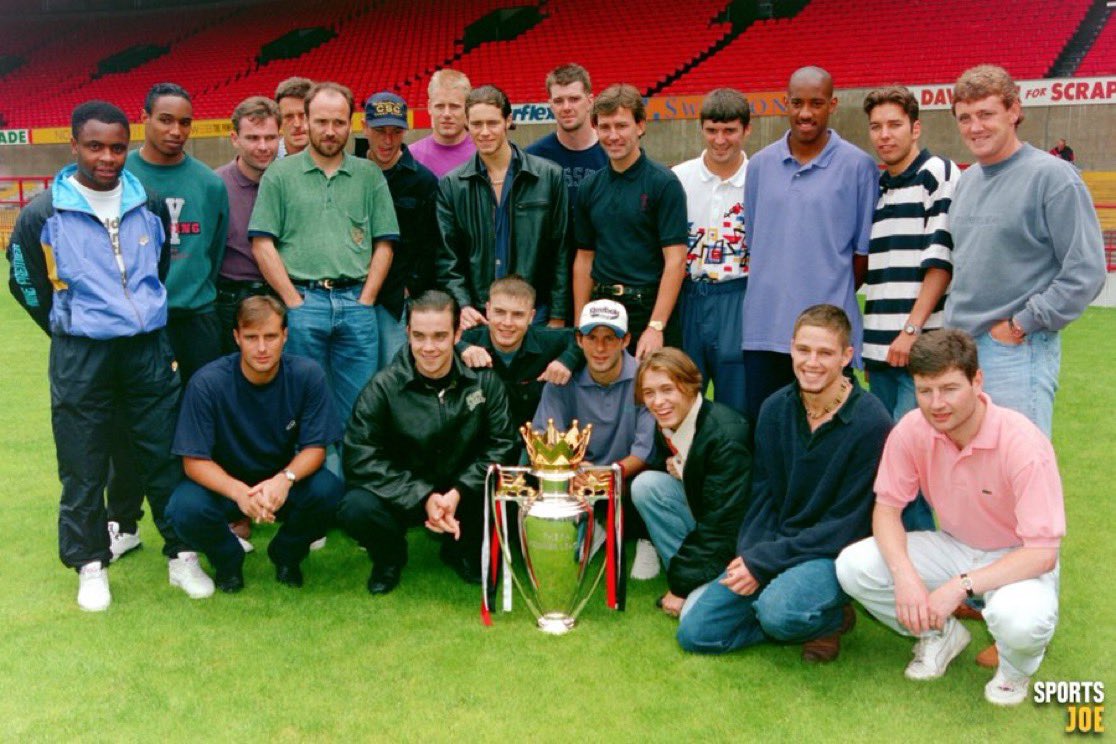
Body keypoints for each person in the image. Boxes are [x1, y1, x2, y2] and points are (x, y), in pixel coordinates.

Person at [6, 100, 211, 611]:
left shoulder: (150, 204)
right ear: (74, 145)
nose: (107, 158)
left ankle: (182, 555)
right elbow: (25, 282)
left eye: (117, 147)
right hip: (80, 355)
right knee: (83, 461)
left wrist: (134, 314)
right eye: (95, 146)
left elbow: (156, 270)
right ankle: (90, 565)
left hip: (146, 349)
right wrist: (65, 325)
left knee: (165, 454)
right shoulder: (42, 213)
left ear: (128, 145)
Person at [836, 329, 1064, 706]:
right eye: (925, 391)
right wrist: (906, 577)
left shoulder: (1023, 443)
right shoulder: (911, 429)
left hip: (1018, 556)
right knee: (854, 566)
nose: (936, 404)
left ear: (977, 381)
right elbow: (887, 510)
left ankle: (1014, 670)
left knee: (1020, 620)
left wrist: (960, 586)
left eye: (949, 389)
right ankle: (939, 636)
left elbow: (1043, 553)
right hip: (955, 545)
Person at [677, 305, 891, 662]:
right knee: (695, 632)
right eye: (804, 350)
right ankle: (795, 614)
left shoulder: (872, 422)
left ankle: (828, 617)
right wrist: (753, 556)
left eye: (825, 353)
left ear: (847, 356)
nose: (812, 362)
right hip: (777, 545)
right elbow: (762, 495)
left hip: (831, 556)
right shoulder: (775, 408)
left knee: (779, 613)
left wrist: (765, 563)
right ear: (791, 347)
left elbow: (848, 526)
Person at [946, 65, 1105, 438]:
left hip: (1016, 351)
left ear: (1014, 111)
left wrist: (1021, 323)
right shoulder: (967, 180)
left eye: (986, 114)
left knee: (1019, 477)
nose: (975, 127)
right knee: (971, 475)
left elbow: (1087, 270)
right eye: (964, 118)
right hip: (961, 354)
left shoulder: (1054, 177)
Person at [109, 82, 229, 560]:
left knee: (202, 423)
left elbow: (213, 252)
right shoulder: (121, 176)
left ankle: (204, 519)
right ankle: (123, 522)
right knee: (127, 424)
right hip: (137, 327)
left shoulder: (209, 184)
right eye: (165, 119)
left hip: (195, 318)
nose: (176, 130)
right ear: (145, 118)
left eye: (184, 122)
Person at [339, 290, 515, 594]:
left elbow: (504, 445)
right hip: (405, 494)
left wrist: (458, 492)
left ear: (457, 333)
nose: (429, 347)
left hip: (464, 494)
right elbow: (359, 457)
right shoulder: (383, 387)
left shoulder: (485, 380)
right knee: (355, 506)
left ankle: (460, 550)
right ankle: (390, 557)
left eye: (439, 336)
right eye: (419, 336)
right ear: (407, 333)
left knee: (508, 494)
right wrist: (423, 496)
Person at [249, 81, 400, 432]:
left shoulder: (369, 175)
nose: (330, 132)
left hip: (356, 303)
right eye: (321, 122)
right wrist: (292, 300)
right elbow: (262, 243)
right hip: (304, 302)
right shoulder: (280, 175)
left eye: (338, 122)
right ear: (306, 120)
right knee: (303, 407)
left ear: (351, 123)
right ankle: (312, 483)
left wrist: (367, 299)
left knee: (359, 410)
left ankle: (353, 484)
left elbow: (384, 243)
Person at [166, 296, 344, 593]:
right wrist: (237, 492)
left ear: (285, 335)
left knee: (329, 490)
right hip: (225, 486)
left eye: (271, 336)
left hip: (279, 482)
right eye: (251, 337)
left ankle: (287, 555)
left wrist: (284, 480)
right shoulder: (207, 383)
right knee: (183, 508)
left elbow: (316, 448)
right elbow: (193, 461)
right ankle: (227, 560)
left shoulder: (307, 375)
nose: (262, 348)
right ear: (236, 337)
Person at [740, 66, 878, 426]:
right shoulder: (759, 166)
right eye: (797, 103)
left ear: (832, 104)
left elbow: (861, 257)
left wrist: (823, 293)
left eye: (816, 103)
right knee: (768, 438)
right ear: (785, 103)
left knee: (831, 436)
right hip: (764, 331)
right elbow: (757, 243)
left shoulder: (859, 166)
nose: (805, 113)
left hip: (827, 337)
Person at [532, 299, 660, 579]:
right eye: (592, 338)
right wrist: (575, 470)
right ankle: (595, 524)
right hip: (578, 475)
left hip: (625, 475)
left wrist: (604, 475)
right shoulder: (562, 378)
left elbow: (644, 450)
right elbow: (547, 437)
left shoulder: (644, 378)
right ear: (579, 340)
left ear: (625, 340)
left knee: (648, 482)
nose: (600, 348)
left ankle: (645, 536)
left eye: (610, 338)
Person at [631, 348, 752, 619]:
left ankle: (698, 583)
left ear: (690, 385)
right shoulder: (668, 423)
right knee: (647, 486)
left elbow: (723, 524)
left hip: (740, 536)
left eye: (667, 389)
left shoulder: (726, 437)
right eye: (649, 393)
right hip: (708, 516)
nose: (658, 402)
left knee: (694, 618)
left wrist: (681, 588)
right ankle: (692, 577)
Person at [436, 85, 569, 330]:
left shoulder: (549, 176)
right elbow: (448, 258)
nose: (484, 132)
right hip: (478, 315)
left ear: (508, 121)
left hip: (535, 313)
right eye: (476, 124)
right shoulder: (451, 185)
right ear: (467, 124)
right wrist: (463, 305)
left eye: (492, 123)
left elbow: (561, 249)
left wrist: (558, 316)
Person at [572, 84, 688, 360]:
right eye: (605, 127)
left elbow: (676, 261)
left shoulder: (664, 184)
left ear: (640, 126)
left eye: (621, 126)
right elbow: (584, 259)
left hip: (647, 308)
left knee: (652, 396)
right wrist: (579, 323)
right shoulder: (590, 186)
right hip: (603, 308)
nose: (613, 136)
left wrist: (655, 326)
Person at [862, 85, 955, 422]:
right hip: (880, 352)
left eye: (894, 125)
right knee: (888, 452)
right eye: (876, 127)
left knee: (915, 449)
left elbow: (941, 263)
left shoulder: (937, 174)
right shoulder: (879, 186)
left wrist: (910, 332)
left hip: (919, 348)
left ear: (915, 128)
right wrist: (874, 348)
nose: (884, 135)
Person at [671, 88, 751, 414]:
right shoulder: (679, 178)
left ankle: (739, 464)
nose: (720, 140)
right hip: (688, 294)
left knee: (739, 399)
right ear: (701, 128)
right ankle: (682, 465)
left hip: (738, 295)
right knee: (683, 396)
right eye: (712, 130)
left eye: (729, 130)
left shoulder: (760, 177)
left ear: (746, 129)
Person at [362, 91, 439, 366]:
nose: (387, 140)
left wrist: (409, 289)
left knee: (394, 375)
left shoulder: (423, 181)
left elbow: (431, 245)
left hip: (395, 303)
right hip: (350, 296)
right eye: (380, 130)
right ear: (364, 128)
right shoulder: (349, 172)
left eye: (396, 132)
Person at [459, 275, 579, 435]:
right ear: (487, 310)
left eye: (518, 314)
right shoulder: (468, 340)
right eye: (500, 312)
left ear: (531, 316)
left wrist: (568, 360)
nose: (507, 322)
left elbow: (585, 338)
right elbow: (427, 343)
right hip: (483, 444)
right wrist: (461, 348)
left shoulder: (548, 340)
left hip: (533, 443)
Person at [214, 96, 281, 354]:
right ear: (235, 139)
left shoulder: (291, 181)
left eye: (270, 137)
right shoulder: (216, 185)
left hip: (282, 297)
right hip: (232, 300)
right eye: (253, 138)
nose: (263, 146)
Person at [409, 69, 476, 178]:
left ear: (467, 108)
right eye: (440, 106)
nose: (446, 114)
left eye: (454, 106)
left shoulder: (483, 153)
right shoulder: (411, 156)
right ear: (429, 107)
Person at [275, 76, 312, 158]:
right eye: (289, 117)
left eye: (303, 115)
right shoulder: (265, 163)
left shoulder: (333, 160)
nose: (297, 124)